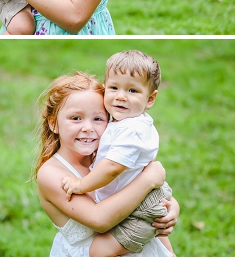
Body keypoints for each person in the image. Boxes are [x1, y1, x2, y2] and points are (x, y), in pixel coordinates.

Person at [34, 72, 178, 257]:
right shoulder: (52, 174)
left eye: (98, 119)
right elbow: (99, 219)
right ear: (54, 123)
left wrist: (172, 208)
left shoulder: (109, 158)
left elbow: (148, 195)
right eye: (76, 118)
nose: (88, 127)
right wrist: (148, 179)